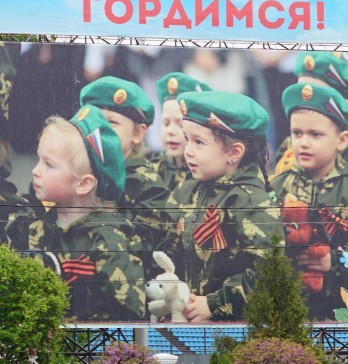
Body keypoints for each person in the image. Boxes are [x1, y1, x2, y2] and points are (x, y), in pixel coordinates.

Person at [270, 81, 348, 318]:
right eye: (297, 133)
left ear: (342, 140)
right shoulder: (277, 187)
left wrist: (334, 262)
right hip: (285, 311)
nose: (303, 142)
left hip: (340, 313)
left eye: (315, 134)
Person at [169, 90, 280, 322]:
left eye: (199, 142)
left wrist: (215, 303)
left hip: (236, 329)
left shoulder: (250, 202)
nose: (187, 150)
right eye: (187, 139)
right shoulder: (189, 190)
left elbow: (268, 272)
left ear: (234, 152)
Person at [30, 108, 144, 322]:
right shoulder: (37, 227)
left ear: (83, 184)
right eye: (38, 160)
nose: (36, 171)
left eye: (49, 164)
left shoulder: (108, 241)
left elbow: (128, 315)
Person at [79, 77, 175, 266]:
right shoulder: (82, 169)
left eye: (112, 123)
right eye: (93, 120)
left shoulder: (146, 185)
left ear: (138, 133)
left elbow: (148, 245)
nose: (99, 129)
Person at [154, 72, 213, 191]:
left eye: (180, 124)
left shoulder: (206, 173)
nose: (170, 131)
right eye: (166, 123)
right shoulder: (154, 169)